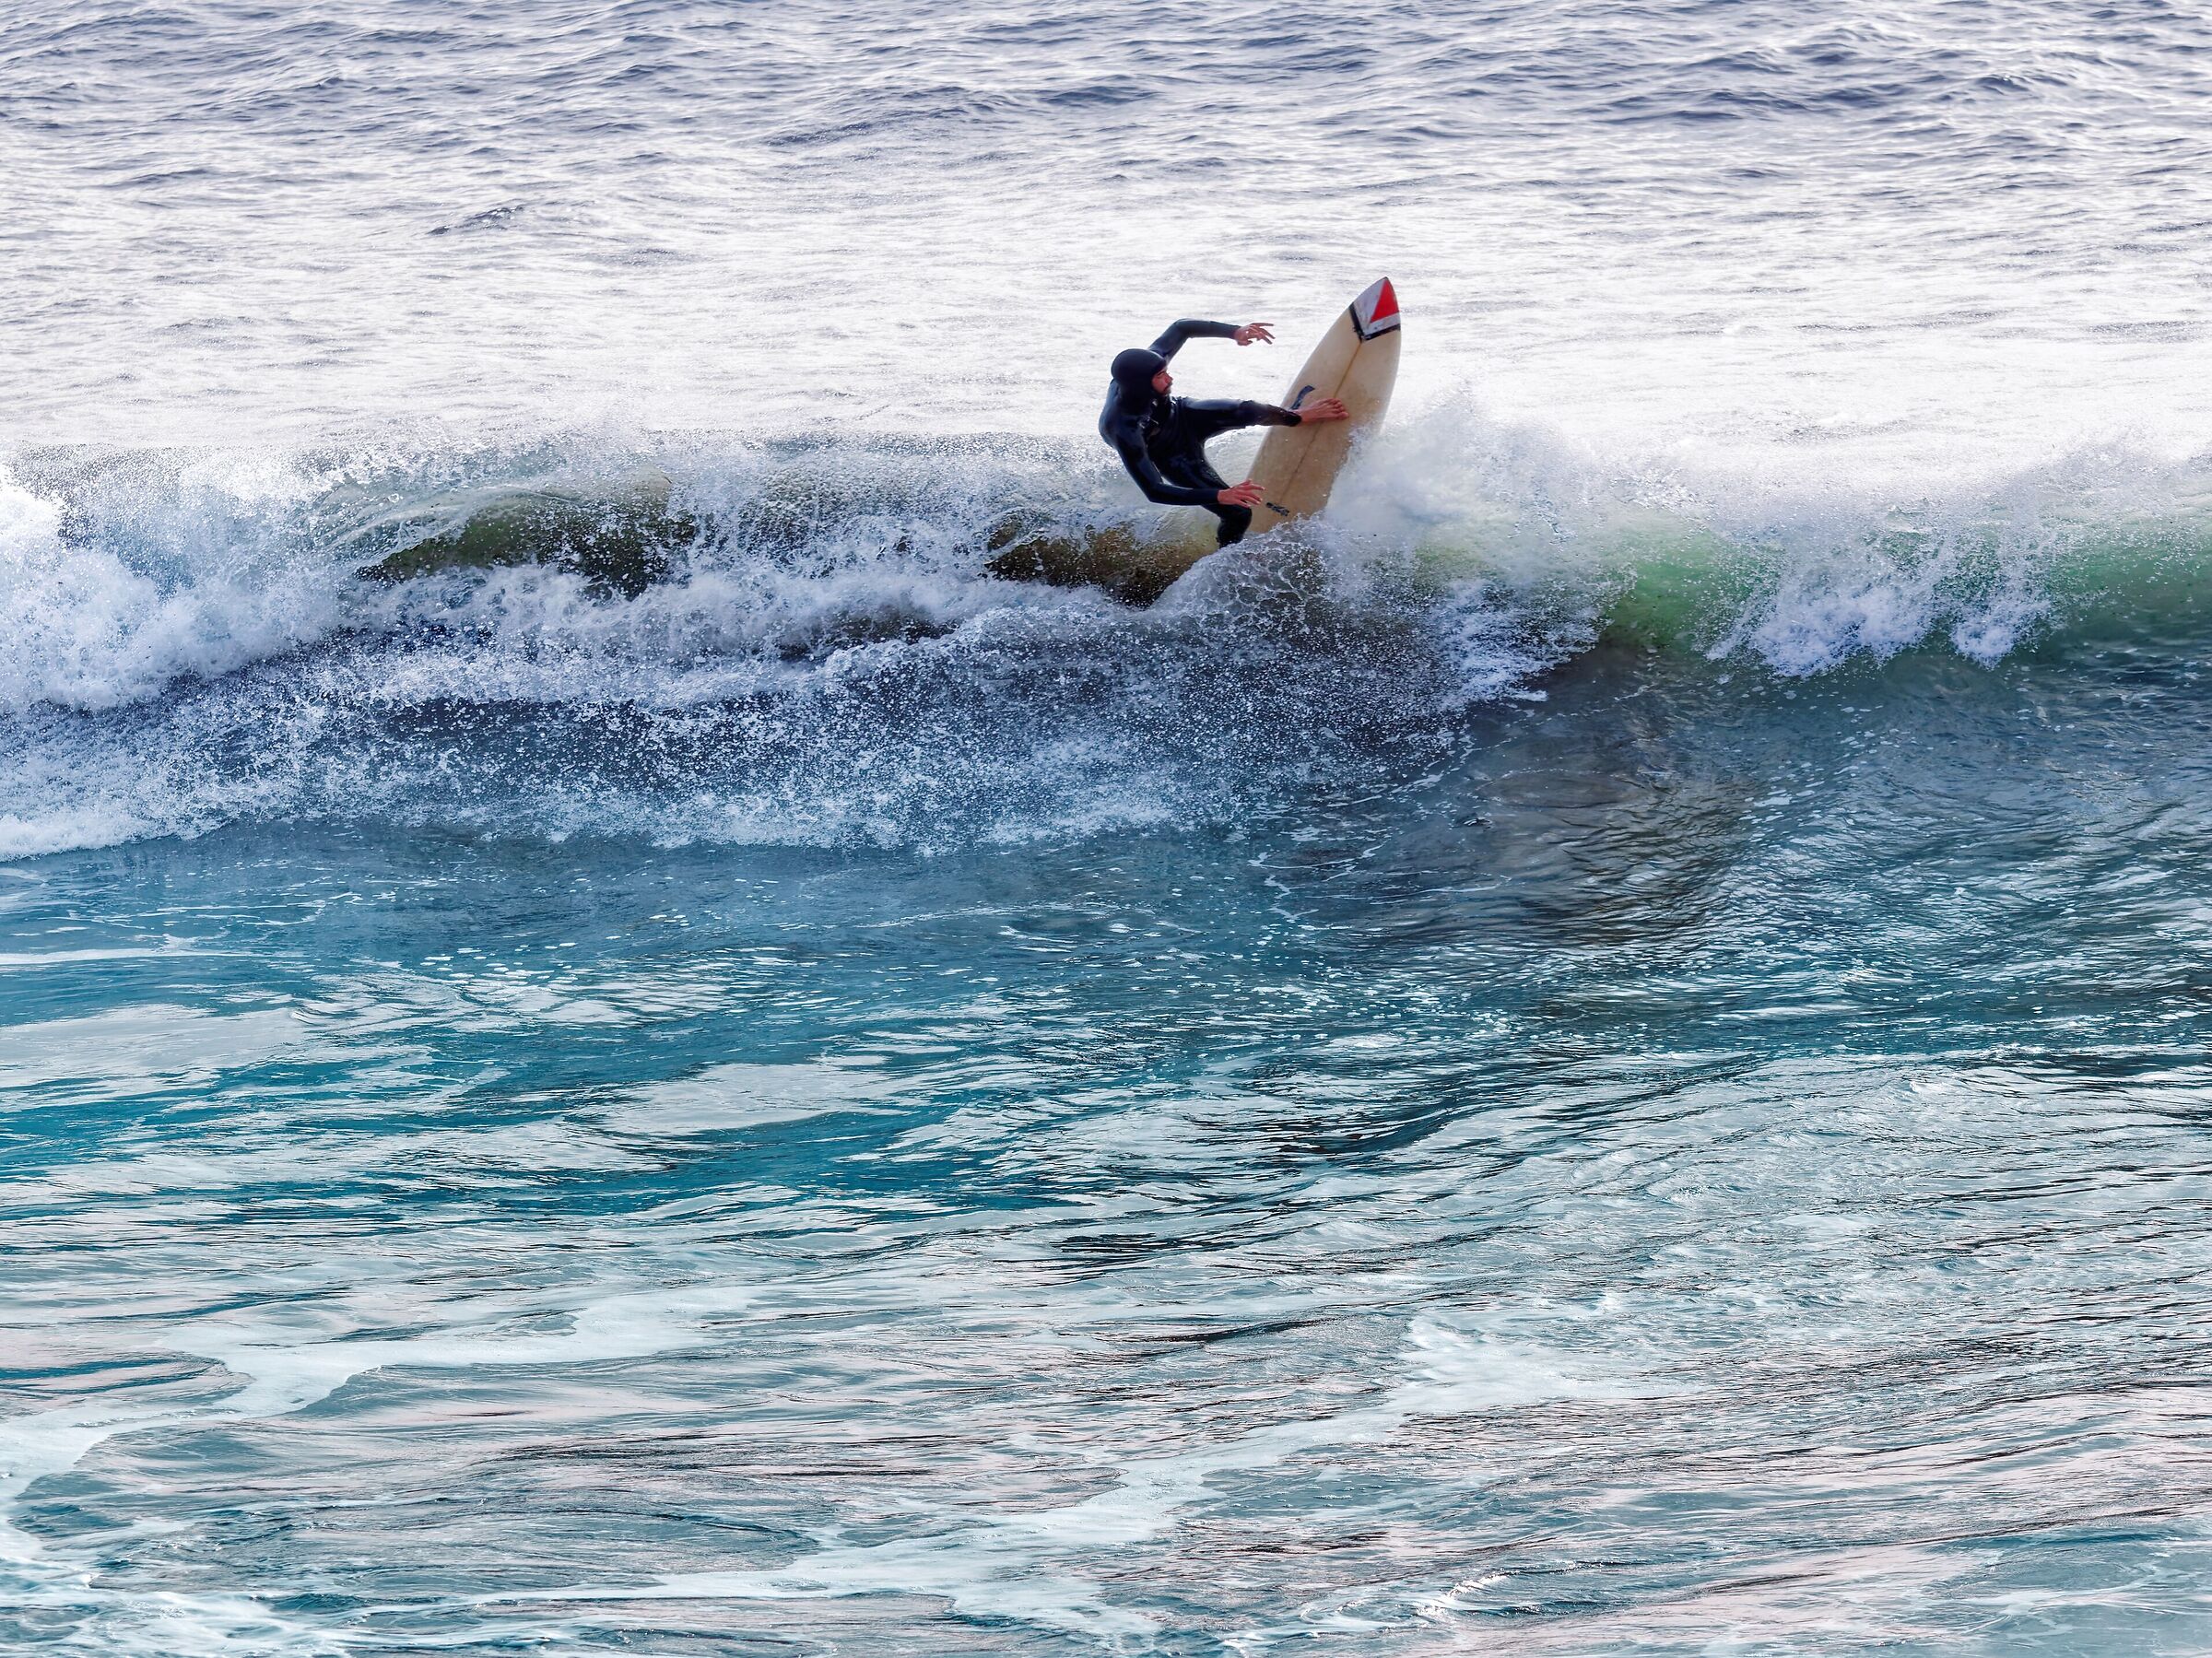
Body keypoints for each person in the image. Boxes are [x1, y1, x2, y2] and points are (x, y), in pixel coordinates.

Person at [1100, 319, 1347, 547]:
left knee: (1247, 410)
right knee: (1238, 512)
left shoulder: (1149, 364)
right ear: (1141, 384)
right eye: (1161, 376)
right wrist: (1221, 495)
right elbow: (1154, 490)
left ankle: (1298, 418)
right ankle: (1229, 555)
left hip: (1182, 413)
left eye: (1165, 371)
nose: (1170, 378)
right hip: (1172, 455)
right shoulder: (1124, 428)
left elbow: (1181, 328)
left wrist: (1234, 332)